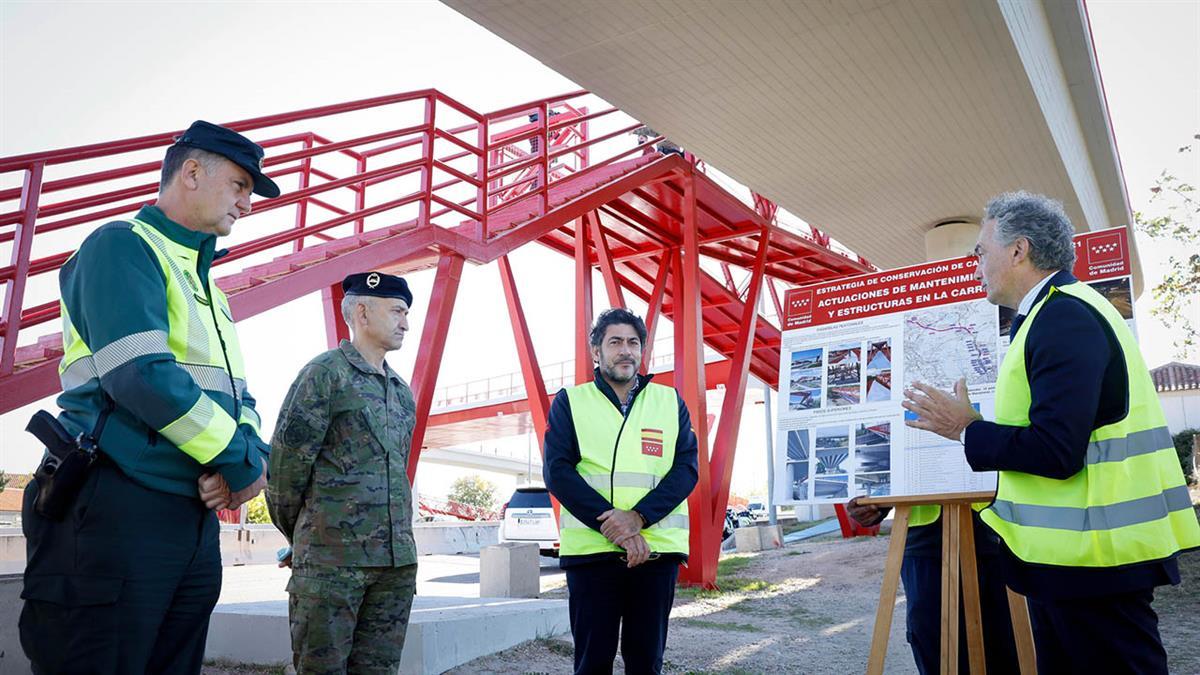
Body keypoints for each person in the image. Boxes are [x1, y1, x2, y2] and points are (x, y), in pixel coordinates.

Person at [903, 191, 1200, 674]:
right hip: (1078, 563)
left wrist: (966, 428)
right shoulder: (1056, 313)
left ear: (1018, 250)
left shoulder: (1062, 316)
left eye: (980, 250)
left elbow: (1057, 450)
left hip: (1094, 564)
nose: (974, 262)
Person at [19, 120, 279, 673]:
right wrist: (234, 461)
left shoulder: (210, 286)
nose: (247, 204)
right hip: (116, 504)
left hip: (190, 511)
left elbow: (238, 396)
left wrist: (251, 454)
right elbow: (138, 375)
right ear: (190, 173)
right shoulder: (123, 246)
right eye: (239, 184)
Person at [267, 271, 419, 675]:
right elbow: (285, 470)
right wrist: (305, 536)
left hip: (395, 566)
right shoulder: (324, 375)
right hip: (332, 564)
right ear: (363, 312)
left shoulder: (402, 393)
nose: (406, 322)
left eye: (407, 313)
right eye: (397, 311)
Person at [543, 308, 698, 675]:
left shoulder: (669, 401)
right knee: (592, 662)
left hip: (656, 553)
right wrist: (615, 528)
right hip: (592, 554)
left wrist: (638, 518)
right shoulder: (571, 401)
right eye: (615, 342)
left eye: (633, 342)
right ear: (596, 351)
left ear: (642, 351)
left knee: (646, 662)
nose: (625, 350)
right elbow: (558, 471)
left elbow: (686, 469)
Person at [845, 497, 1017, 674]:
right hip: (924, 542)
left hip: (993, 533)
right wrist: (874, 503)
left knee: (1003, 642)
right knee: (933, 640)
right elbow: (886, 477)